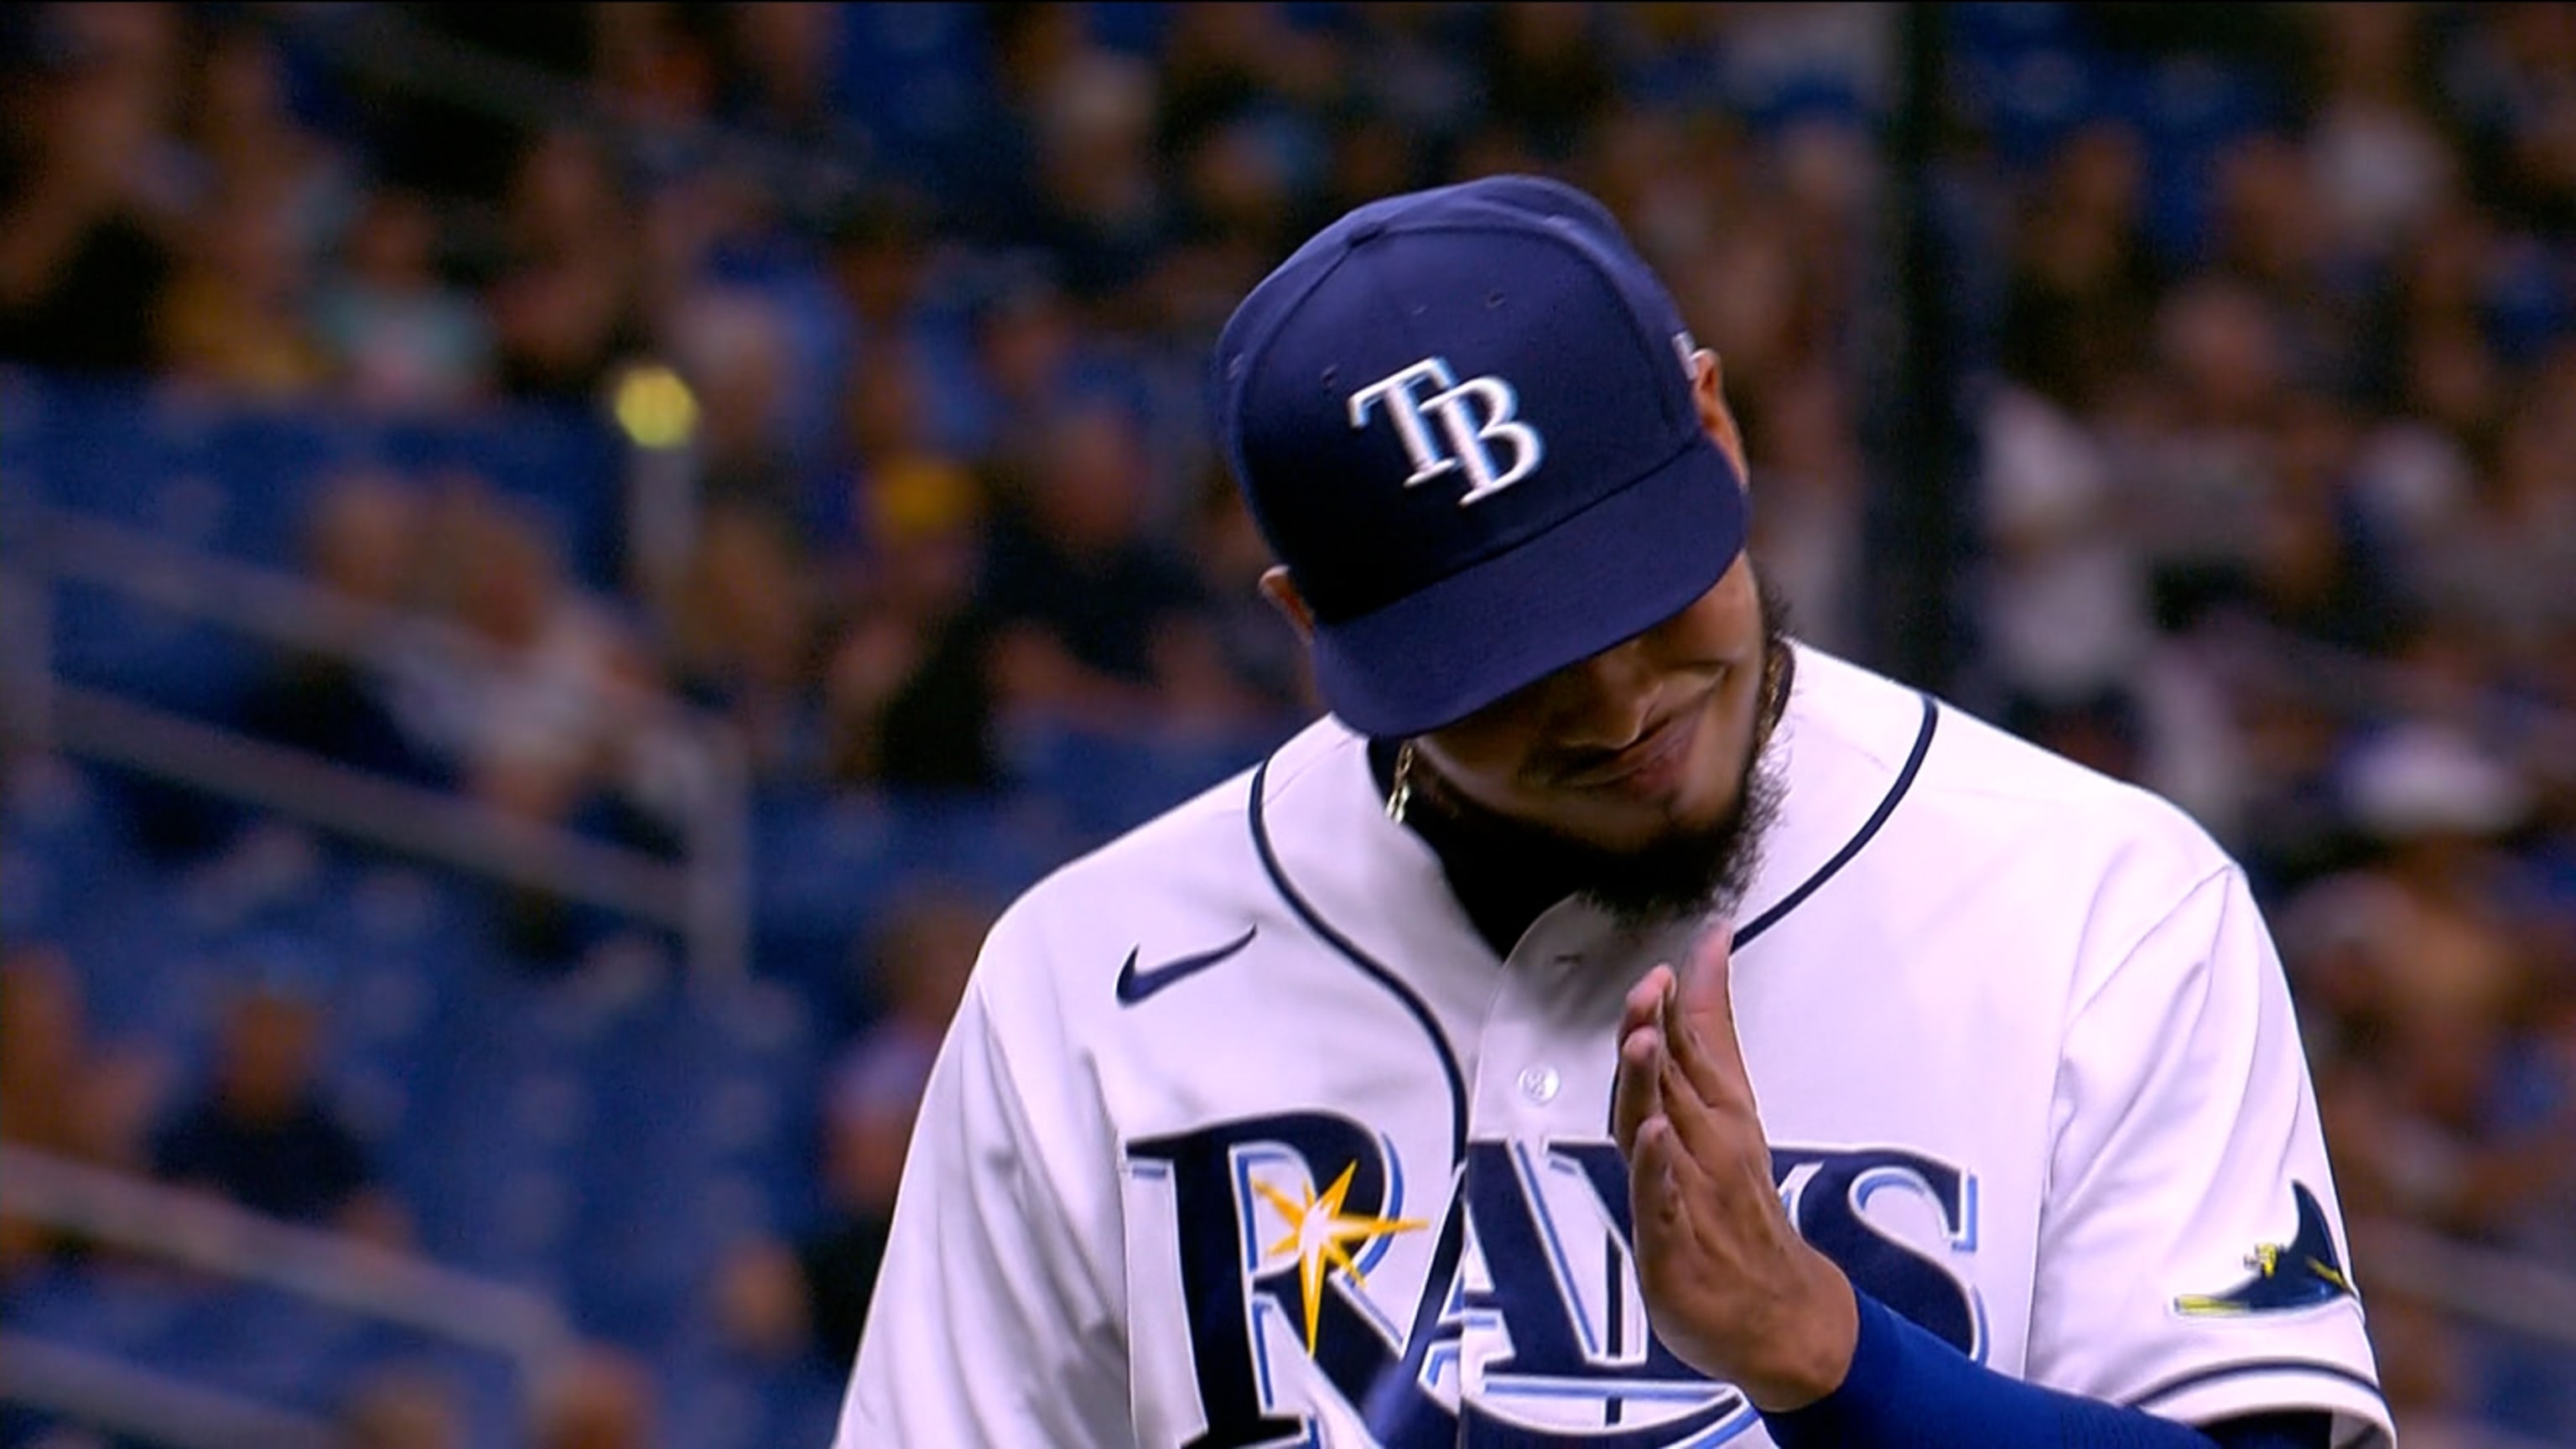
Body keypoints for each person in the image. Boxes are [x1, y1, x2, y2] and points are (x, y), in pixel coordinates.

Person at [835, 175, 2392, 1447]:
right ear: (1314, 627)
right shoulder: (1088, 979)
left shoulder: (2103, 907)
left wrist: (1832, 1355)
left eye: (1639, 598)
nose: (1611, 705)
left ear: (1713, 426)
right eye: (1504, 660)